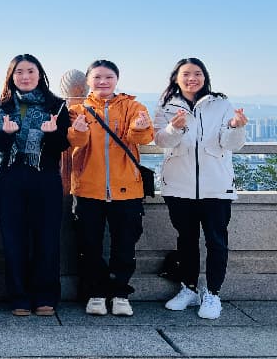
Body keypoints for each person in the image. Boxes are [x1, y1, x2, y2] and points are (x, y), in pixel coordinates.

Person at [154, 57, 247, 320]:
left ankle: (213, 293)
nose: (191, 78)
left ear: (205, 77)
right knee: (186, 240)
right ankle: (189, 288)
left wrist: (235, 127)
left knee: (216, 241)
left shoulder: (221, 104)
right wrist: (175, 128)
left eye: (197, 73)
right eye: (186, 74)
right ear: (176, 77)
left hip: (216, 185)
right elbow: (161, 140)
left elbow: (232, 144)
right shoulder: (166, 105)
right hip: (178, 185)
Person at [68, 59, 154, 317]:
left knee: (125, 245)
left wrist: (138, 129)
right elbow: (73, 142)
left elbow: (143, 137)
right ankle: (95, 293)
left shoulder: (133, 107)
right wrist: (79, 132)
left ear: (117, 79)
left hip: (126, 188)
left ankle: (120, 294)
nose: (103, 82)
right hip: (88, 188)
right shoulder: (77, 110)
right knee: (89, 246)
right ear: (88, 81)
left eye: (108, 77)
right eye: (97, 77)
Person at [0, 54, 71, 317]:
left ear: (40, 74)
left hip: (45, 177)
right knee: (14, 240)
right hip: (11, 178)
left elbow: (62, 145)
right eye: (19, 72)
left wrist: (52, 134)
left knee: (47, 239)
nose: (25, 76)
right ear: (11, 76)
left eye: (30, 71)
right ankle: (19, 297)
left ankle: (46, 296)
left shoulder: (57, 105)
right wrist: (6, 134)